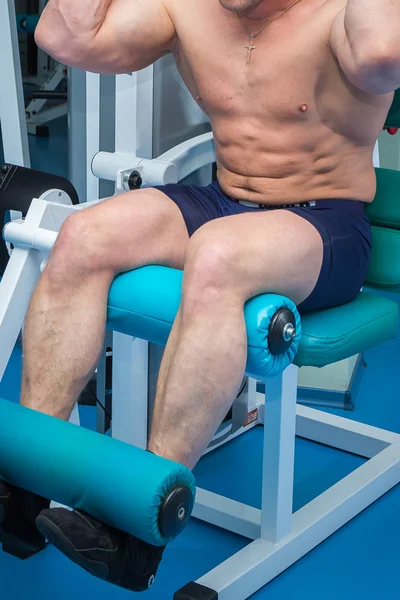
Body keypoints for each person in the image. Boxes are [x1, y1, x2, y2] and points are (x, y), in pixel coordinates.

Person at [0, 0, 398, 592]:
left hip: (324, 222)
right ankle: (26, 486)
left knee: (218, 253)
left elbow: (381, 57)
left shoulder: (341, 15)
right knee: (82, 234)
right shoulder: (192, 9)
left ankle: (140, 534)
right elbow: (65, 37)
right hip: (221, 200)